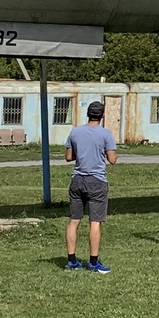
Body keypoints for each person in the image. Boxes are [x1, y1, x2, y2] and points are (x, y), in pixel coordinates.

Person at [63, 99, 118, 273]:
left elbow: (68, 157)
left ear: (88, 114)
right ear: (102, 115)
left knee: (74, 221)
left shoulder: (75, 132)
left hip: (77, 179)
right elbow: (112, 160)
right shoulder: (106, 134)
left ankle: (72, 260)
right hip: (97, 181)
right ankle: (93, 262)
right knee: (95, 222)